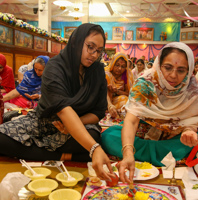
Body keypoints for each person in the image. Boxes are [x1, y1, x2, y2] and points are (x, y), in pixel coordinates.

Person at [0, 23, 114, 181]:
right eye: (90, 47)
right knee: (1, 139)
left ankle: (39, 149)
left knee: (92, 135)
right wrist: (94, 149)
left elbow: (98, 112)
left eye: (99, 50)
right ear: (76, 42)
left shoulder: (97, 71)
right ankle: (64, 155)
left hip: (80, 124)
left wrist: (76, 124)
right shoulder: (55, 67)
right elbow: (62, 109)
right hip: (46, 121)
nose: (94, 55)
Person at [102, 42, 198, 183]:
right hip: (145, 131)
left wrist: (188, 131)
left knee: (196, 140)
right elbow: (131, 120)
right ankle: (163, 156)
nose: (173, 75)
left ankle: (144, 153)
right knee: (108, 136)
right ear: (159, 65)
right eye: (168, 68)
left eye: (181, 70)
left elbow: (191, 119)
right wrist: (128, 152)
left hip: (172, 136)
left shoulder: (193, 90)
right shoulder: (145, 83)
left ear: (189, 70)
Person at [105, 52, 134, 118]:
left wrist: (117, 91)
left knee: (126, 101)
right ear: (112, 64)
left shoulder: (127, 75)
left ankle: (115, 110)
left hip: (117, 100)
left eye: (123, 66)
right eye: (117, 65)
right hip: (105, 99)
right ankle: (109, 108)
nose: (120, 68)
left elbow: (129, 93)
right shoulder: (106, 73)